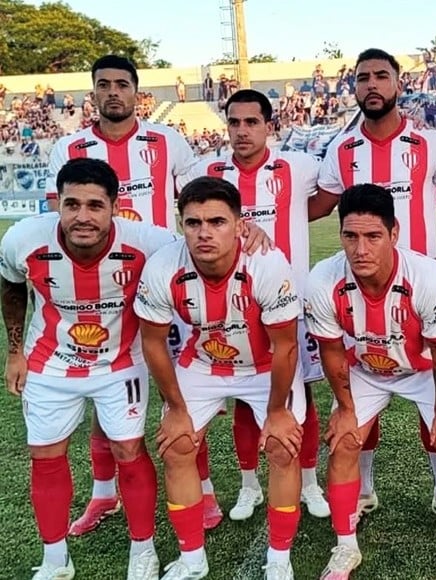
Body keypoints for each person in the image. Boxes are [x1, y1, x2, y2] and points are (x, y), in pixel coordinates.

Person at [43, 54, 222, 535]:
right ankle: (104, 495)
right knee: (104, 391)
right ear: (93, 93)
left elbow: (200, 199)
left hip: (163, 284)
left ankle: (203, 489)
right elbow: (56, 217)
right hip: (100, 289)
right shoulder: (69, 147)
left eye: (122, 84)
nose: (113, 92)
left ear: (136, 92)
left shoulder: (167, 141)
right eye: (104, 84)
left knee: (179, 392)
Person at [309, 47, 436, 534]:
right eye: (363, 78)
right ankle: (363, 490)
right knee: (362, 393)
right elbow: (318, 207)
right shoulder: (342, 150)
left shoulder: (428, 143)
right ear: (354, 87)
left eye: (381, 76)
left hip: (423, 292)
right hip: (363, 291)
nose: (372, 85)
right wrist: (252, 218)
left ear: (398, 84)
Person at [1, 158, 178, 580]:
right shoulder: (23, 239)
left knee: (128, 451)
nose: (83, 216)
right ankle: (55, 560)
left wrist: (248, 231)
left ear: (114, 207)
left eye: (95, 205)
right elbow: (11, 285)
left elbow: (199, 248)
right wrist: (14, 352)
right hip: (50, 361)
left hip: (121, 361)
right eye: (72, 204)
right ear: (58, 205)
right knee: (45, 455)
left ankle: (143, 551)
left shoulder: (148, 241)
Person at [134, 177, 306, 580]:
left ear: (239, 225)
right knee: (177, 447)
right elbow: (153, 343)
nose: (204, 232)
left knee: (282, 447)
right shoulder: (163, 266)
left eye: (216, 222)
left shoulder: (267, 263)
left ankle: (279, 557)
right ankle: (192, 558)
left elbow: (285, 346)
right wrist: (176, 409)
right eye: (193, 223)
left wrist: (277, 411)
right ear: (181, 225)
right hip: (204, 362)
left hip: (264, 367)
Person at [306, 184, 436, 580]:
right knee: (343, 442)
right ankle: (345, 547)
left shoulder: (428, 277)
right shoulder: (323, 279)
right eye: (351, 236)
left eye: (373, 236)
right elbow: (331, 351)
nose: (360, 249)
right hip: (367, 368)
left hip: (425, 370)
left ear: (394, 233)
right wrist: (345, 409)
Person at [178, 88, 330, 522]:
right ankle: (249, 486)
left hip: (290, 304)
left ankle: (310, 481)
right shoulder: (207, 170)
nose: (242, 130)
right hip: (227, 308)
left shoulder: (299, 166)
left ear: (269, 126)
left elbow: (327, 199)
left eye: (251, 122)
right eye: (234, 122)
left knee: (301, 395)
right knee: (243, 398)